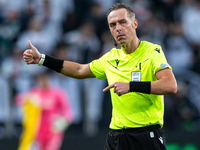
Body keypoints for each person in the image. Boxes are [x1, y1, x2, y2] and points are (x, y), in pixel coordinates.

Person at [23, 3, 177, 150]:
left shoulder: (152, 52)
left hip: (145, 135)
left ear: (135, 24)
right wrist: (43, 59)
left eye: (123, 22)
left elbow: (170, 85)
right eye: (113, 25)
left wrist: (130, 86)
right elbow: (78, 70)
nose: (118, 29)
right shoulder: (110, 58)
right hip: (117, 136)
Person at [15, 70, 73, 150]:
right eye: (41, 79)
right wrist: (29, 99)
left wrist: (61, 124)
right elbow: (18, 100)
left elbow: (68, 114)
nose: (43, 81)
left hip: (53, 131)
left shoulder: (58, 93)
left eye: (45, 79)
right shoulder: (34, 93)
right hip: (38, 132)